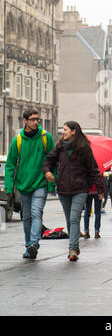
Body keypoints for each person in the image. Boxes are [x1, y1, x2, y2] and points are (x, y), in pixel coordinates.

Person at [43, 121, 104, 262]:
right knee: (69, 220)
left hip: (80, 189)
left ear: (73, 131)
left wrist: (100, 188)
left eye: (65, 130)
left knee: (74, 218)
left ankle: (72, 248)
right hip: (63, 189)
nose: (62, 132)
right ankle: (75, 246)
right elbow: (48, 161)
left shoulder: (84, 149)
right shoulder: (59, 147)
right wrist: (47, 171)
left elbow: (94, 169)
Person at [4, 109, 55, 260]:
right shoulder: (18, 140)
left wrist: (52, 184)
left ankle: (34, 244)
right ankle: (28, 246)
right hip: (23, 184)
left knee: (36, 213)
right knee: (26, 217)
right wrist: (9, 187)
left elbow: (53, 160)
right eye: (32, 119)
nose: (36, 122)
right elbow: (10, 165)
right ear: (24, 121)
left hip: (40, 183)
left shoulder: (46, 137)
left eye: (37, 119)